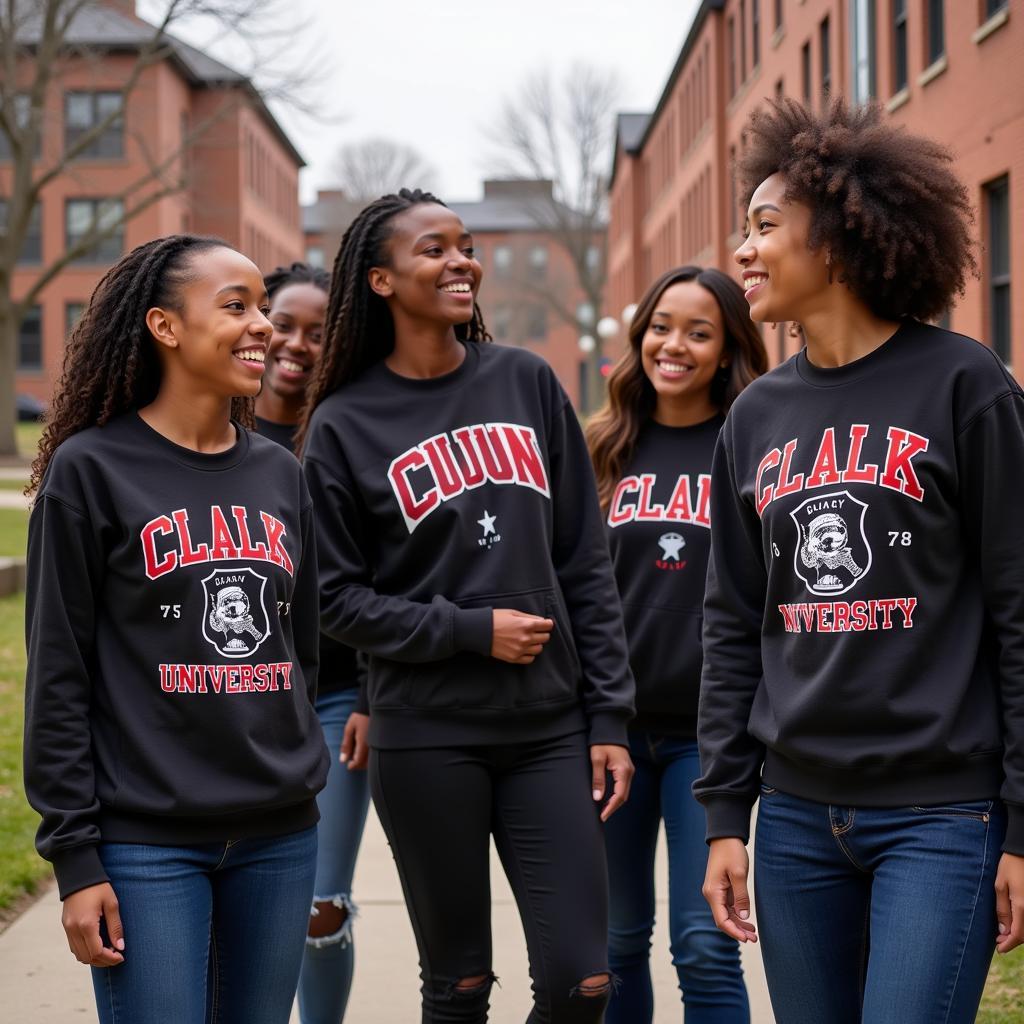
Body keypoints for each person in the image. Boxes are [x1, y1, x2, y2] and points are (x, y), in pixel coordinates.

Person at [695, 98, 1024, 1023]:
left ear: (836, 240)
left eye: (766, 228)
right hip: (798, 817)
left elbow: (1019, 606)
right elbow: (732, 622)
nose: (744, 252)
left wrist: (1023, 824)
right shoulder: (755, 417)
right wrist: (727, 815)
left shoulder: (966, 384)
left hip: (943, 817)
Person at [298, 188, 636, 1023]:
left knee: (581, 983)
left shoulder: (525, 380)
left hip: (548, 728)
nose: (462, 263)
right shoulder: (343, 424)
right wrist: (469, 630)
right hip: (426, 735)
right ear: (379, 281)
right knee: (459, 986)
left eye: (466, 245)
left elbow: (584, 562)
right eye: (434, 249)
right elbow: (334, 599)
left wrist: (610, 719)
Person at [23, 235, 329, 1024]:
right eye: (237, 306)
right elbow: (60, 675)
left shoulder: (279, 473)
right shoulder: (91, 471)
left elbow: (303, 652)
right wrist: (76, 856)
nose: (262, 324)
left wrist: (296, 762)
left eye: (262, 304)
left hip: (278, 835)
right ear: (163, 326)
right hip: (144, 845)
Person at [586, 266, 766, 1023]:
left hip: (709, 738)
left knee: (703, 941)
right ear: (639, 334)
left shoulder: (753, 440)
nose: (675, 346)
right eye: (663, 326)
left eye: (699, 332)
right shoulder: (600, 446)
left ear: (727, 349)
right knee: (618, 941)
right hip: (612, 736)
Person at [255, 261, 371, 1024]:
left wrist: (370, 692)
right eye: (282, 324)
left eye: (318, 333)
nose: (296, 344)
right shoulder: (211, 429)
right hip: (238, 698)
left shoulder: (348, 435)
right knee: (253, 901)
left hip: (336, 696)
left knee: (320, 907)